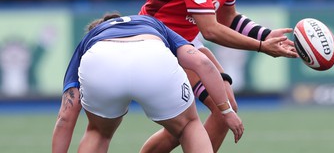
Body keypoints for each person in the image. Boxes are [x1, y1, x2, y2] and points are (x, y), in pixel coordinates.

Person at [139, 0, 298, 152]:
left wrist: (265, 35)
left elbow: (227, 18)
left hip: (185, 43)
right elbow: (211, 30)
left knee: (215, 114)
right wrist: (261, 47)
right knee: (205, 117)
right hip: (158, 43)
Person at [52, 13, 244, 153]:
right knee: (188, 126)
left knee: (98, 132)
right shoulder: (150, 23)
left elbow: (66, 116)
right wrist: (226, 111)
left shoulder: (89, 40)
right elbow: (202, 63)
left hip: (100, 62)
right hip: (151, 52)